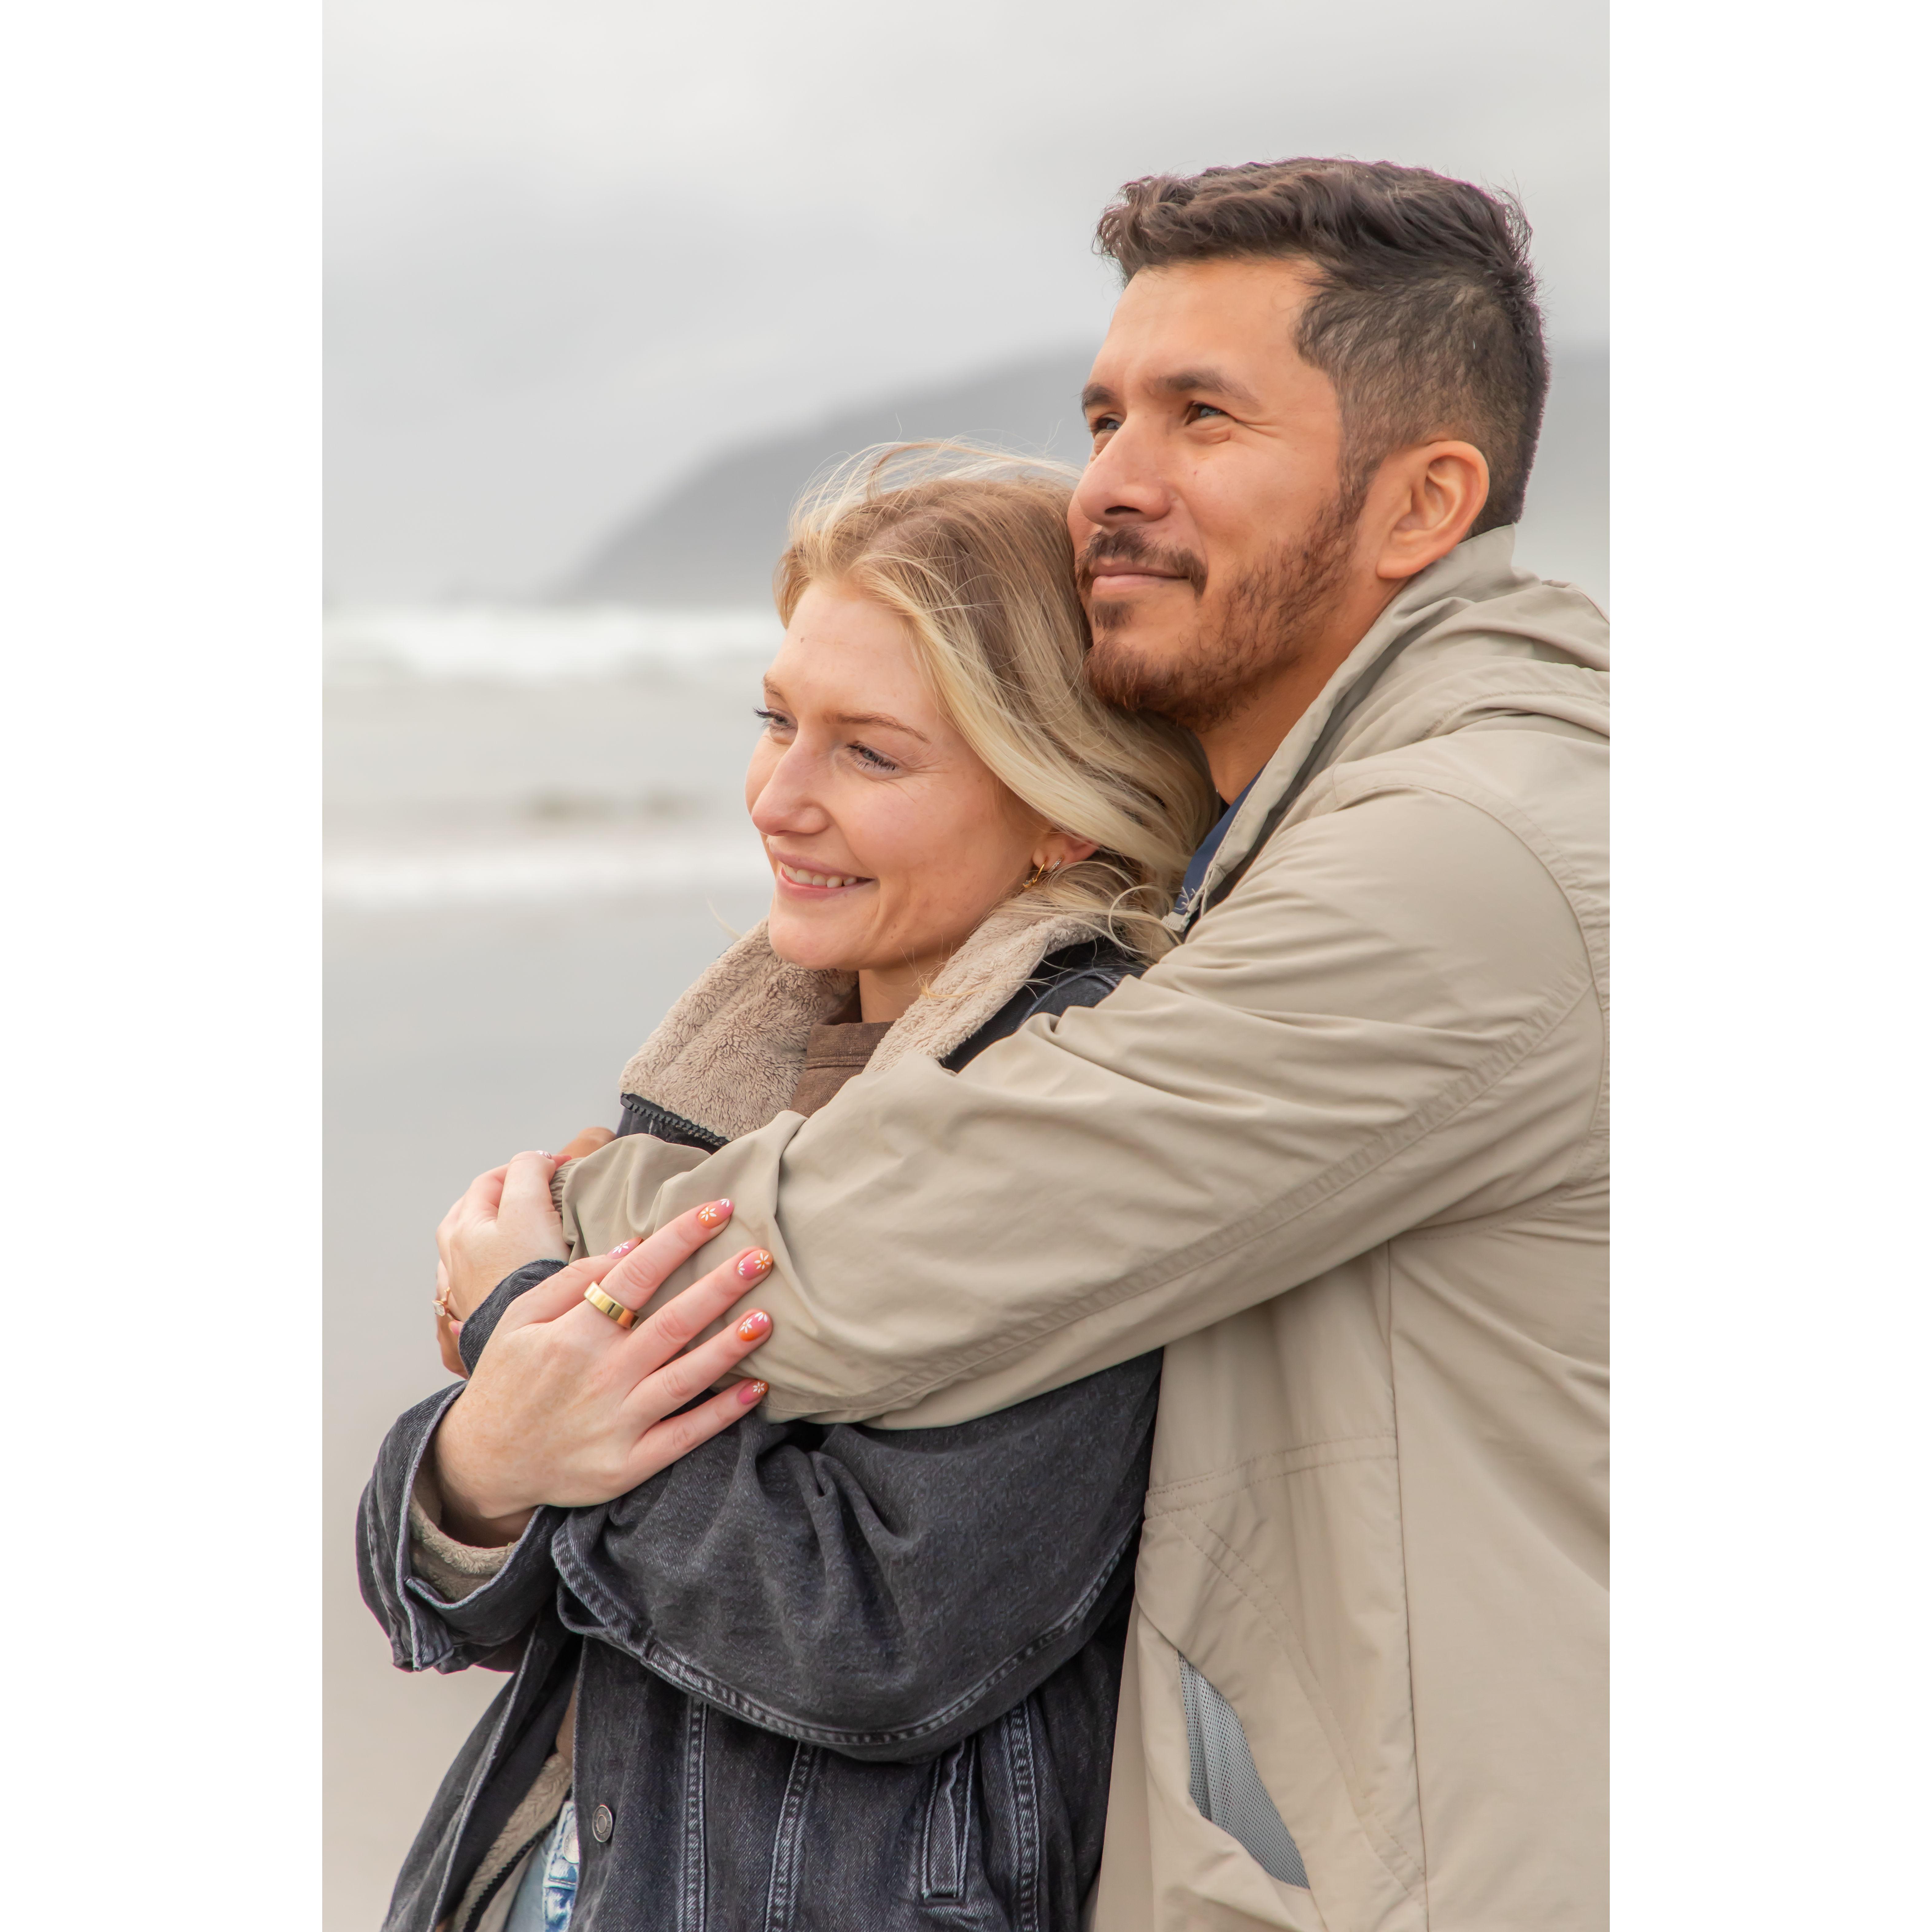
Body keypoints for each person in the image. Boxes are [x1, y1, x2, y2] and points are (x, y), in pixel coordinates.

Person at [431, 157, 1610, 1932]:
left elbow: (895, 1252)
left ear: (1423, 499)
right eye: (1104, 415)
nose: (1112, 483)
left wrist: (536, 1264)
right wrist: (477, 1454)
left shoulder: (1457, 854)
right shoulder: (1323, 836)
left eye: (1203, 416)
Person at [359, 453, 1219, 1930]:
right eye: (775, 721)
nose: (777, 796)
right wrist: (484, 1460)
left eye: (868, 754)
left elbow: (878, 1632)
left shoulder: (1076, 1109)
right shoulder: (735, 1070)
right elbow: (434, 1595)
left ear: (1059, 809)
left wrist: (524, 1335)